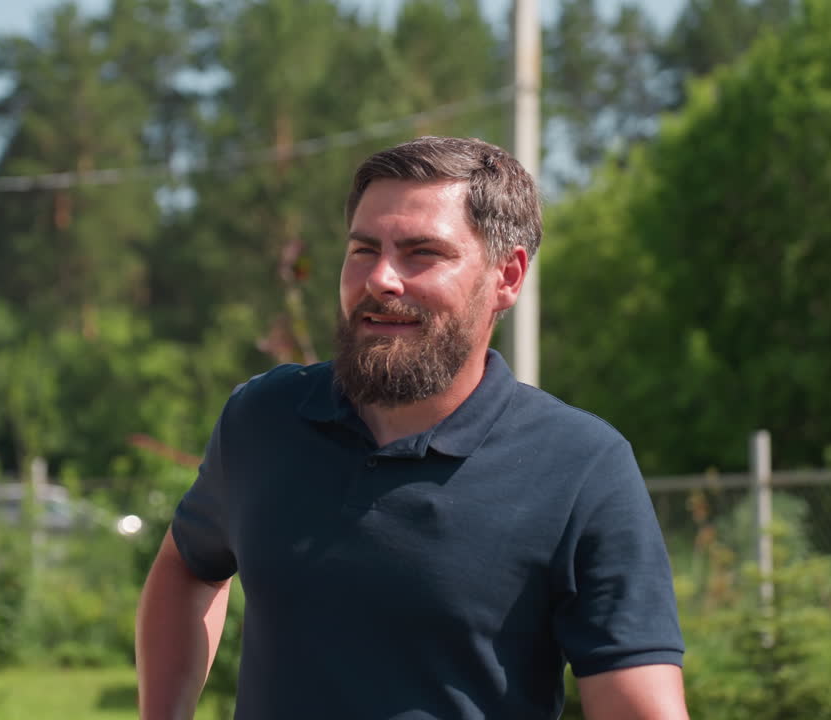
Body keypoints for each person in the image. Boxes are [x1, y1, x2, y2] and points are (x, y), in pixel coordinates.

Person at [135, 136, 687, 720]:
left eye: (421, 252)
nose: (382, 279)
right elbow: (187, 566)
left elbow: (638, 705)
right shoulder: (263, 420)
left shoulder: (580, 466)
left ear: (508, 276)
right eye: (363, 250)